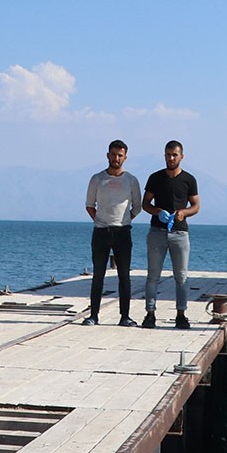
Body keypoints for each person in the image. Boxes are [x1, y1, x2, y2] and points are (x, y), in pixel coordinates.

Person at [141, 140, 200, 328]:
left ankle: (181, 314)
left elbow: (196, 206)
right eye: (168, 154)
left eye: (174, 155)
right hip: (157, 232)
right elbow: (145, 204)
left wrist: (183, 213)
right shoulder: (155, 178)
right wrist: (158, 212)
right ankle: (150, 314)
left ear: (181, 156)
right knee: (153, 276)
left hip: (180, 233)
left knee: (181, 276)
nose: (171, 158)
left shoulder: (189, 180)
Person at [83, 140, 140, 326]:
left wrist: (123, 220)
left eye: (120, 155)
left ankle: (125, 316)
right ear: (108, 155)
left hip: (123, 232)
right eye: (113, 154)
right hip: (101, 232)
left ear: (125, 157)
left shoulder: (131, 180)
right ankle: (94, 316)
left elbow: (137, 207)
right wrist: (101, 221)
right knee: (98, 274)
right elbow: (90, 205)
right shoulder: (97, 179)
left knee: (124, 276)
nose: (116, 158)